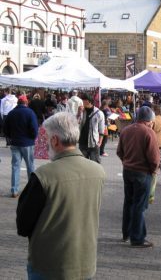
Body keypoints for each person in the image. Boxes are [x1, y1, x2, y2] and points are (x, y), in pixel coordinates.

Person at [16, 112, 106, 279]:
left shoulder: (43, 175)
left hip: (50, 265)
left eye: (48, 138)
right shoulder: (98, 171)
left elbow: (23, 224)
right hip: (85, 261)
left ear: (55, 140)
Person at [117, 106, 160, 248]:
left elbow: (119, 151)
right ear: (149, 120)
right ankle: (137, 238)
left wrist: (126, 161)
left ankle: (126, 233)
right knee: (139, 205)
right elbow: (154, 158)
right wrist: (153, 171)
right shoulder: (149, 132)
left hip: (128, 170)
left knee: (128, 202)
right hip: (143, 172)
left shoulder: (126, 130)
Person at [3, 95, 38, 198]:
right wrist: (32, 138)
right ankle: (32, 190)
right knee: (30, 166)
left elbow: (5, 129)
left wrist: (11, 137)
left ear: (18, 103)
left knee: (15, 167)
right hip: (27, 143)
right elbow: (34, 129)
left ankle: (14, 190)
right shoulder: (30, 113)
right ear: (26, 103)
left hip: (15, 143)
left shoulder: (11, 113)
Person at [79, 93, 105, 163]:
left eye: (83, 100)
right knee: (83, 165)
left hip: (94, 143)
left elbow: (101, 130)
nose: (82, 101)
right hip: (82, 143)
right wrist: (79, 113)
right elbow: (75, 124)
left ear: (88, 101)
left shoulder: (99, 113)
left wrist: (99, 142)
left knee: (95, 165)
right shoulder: (81, 111)